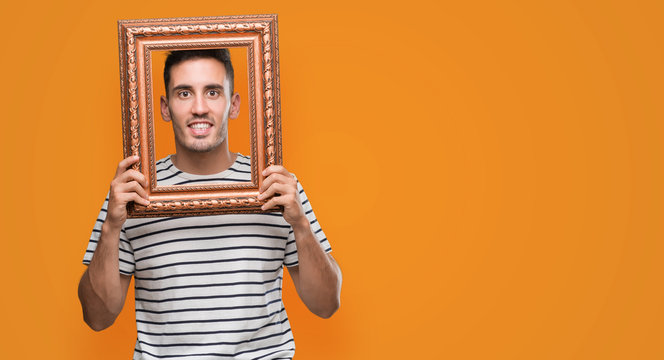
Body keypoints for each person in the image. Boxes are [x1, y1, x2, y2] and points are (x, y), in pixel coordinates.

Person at [77, 49, 341, 359]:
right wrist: (110, 227)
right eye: (184, 93)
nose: (199, 108)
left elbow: (327, 305)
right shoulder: (133, 191)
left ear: (234, 104)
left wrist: (300, 225)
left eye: (213, 92)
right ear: (165, 107)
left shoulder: (277, 187)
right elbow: (96, 318)